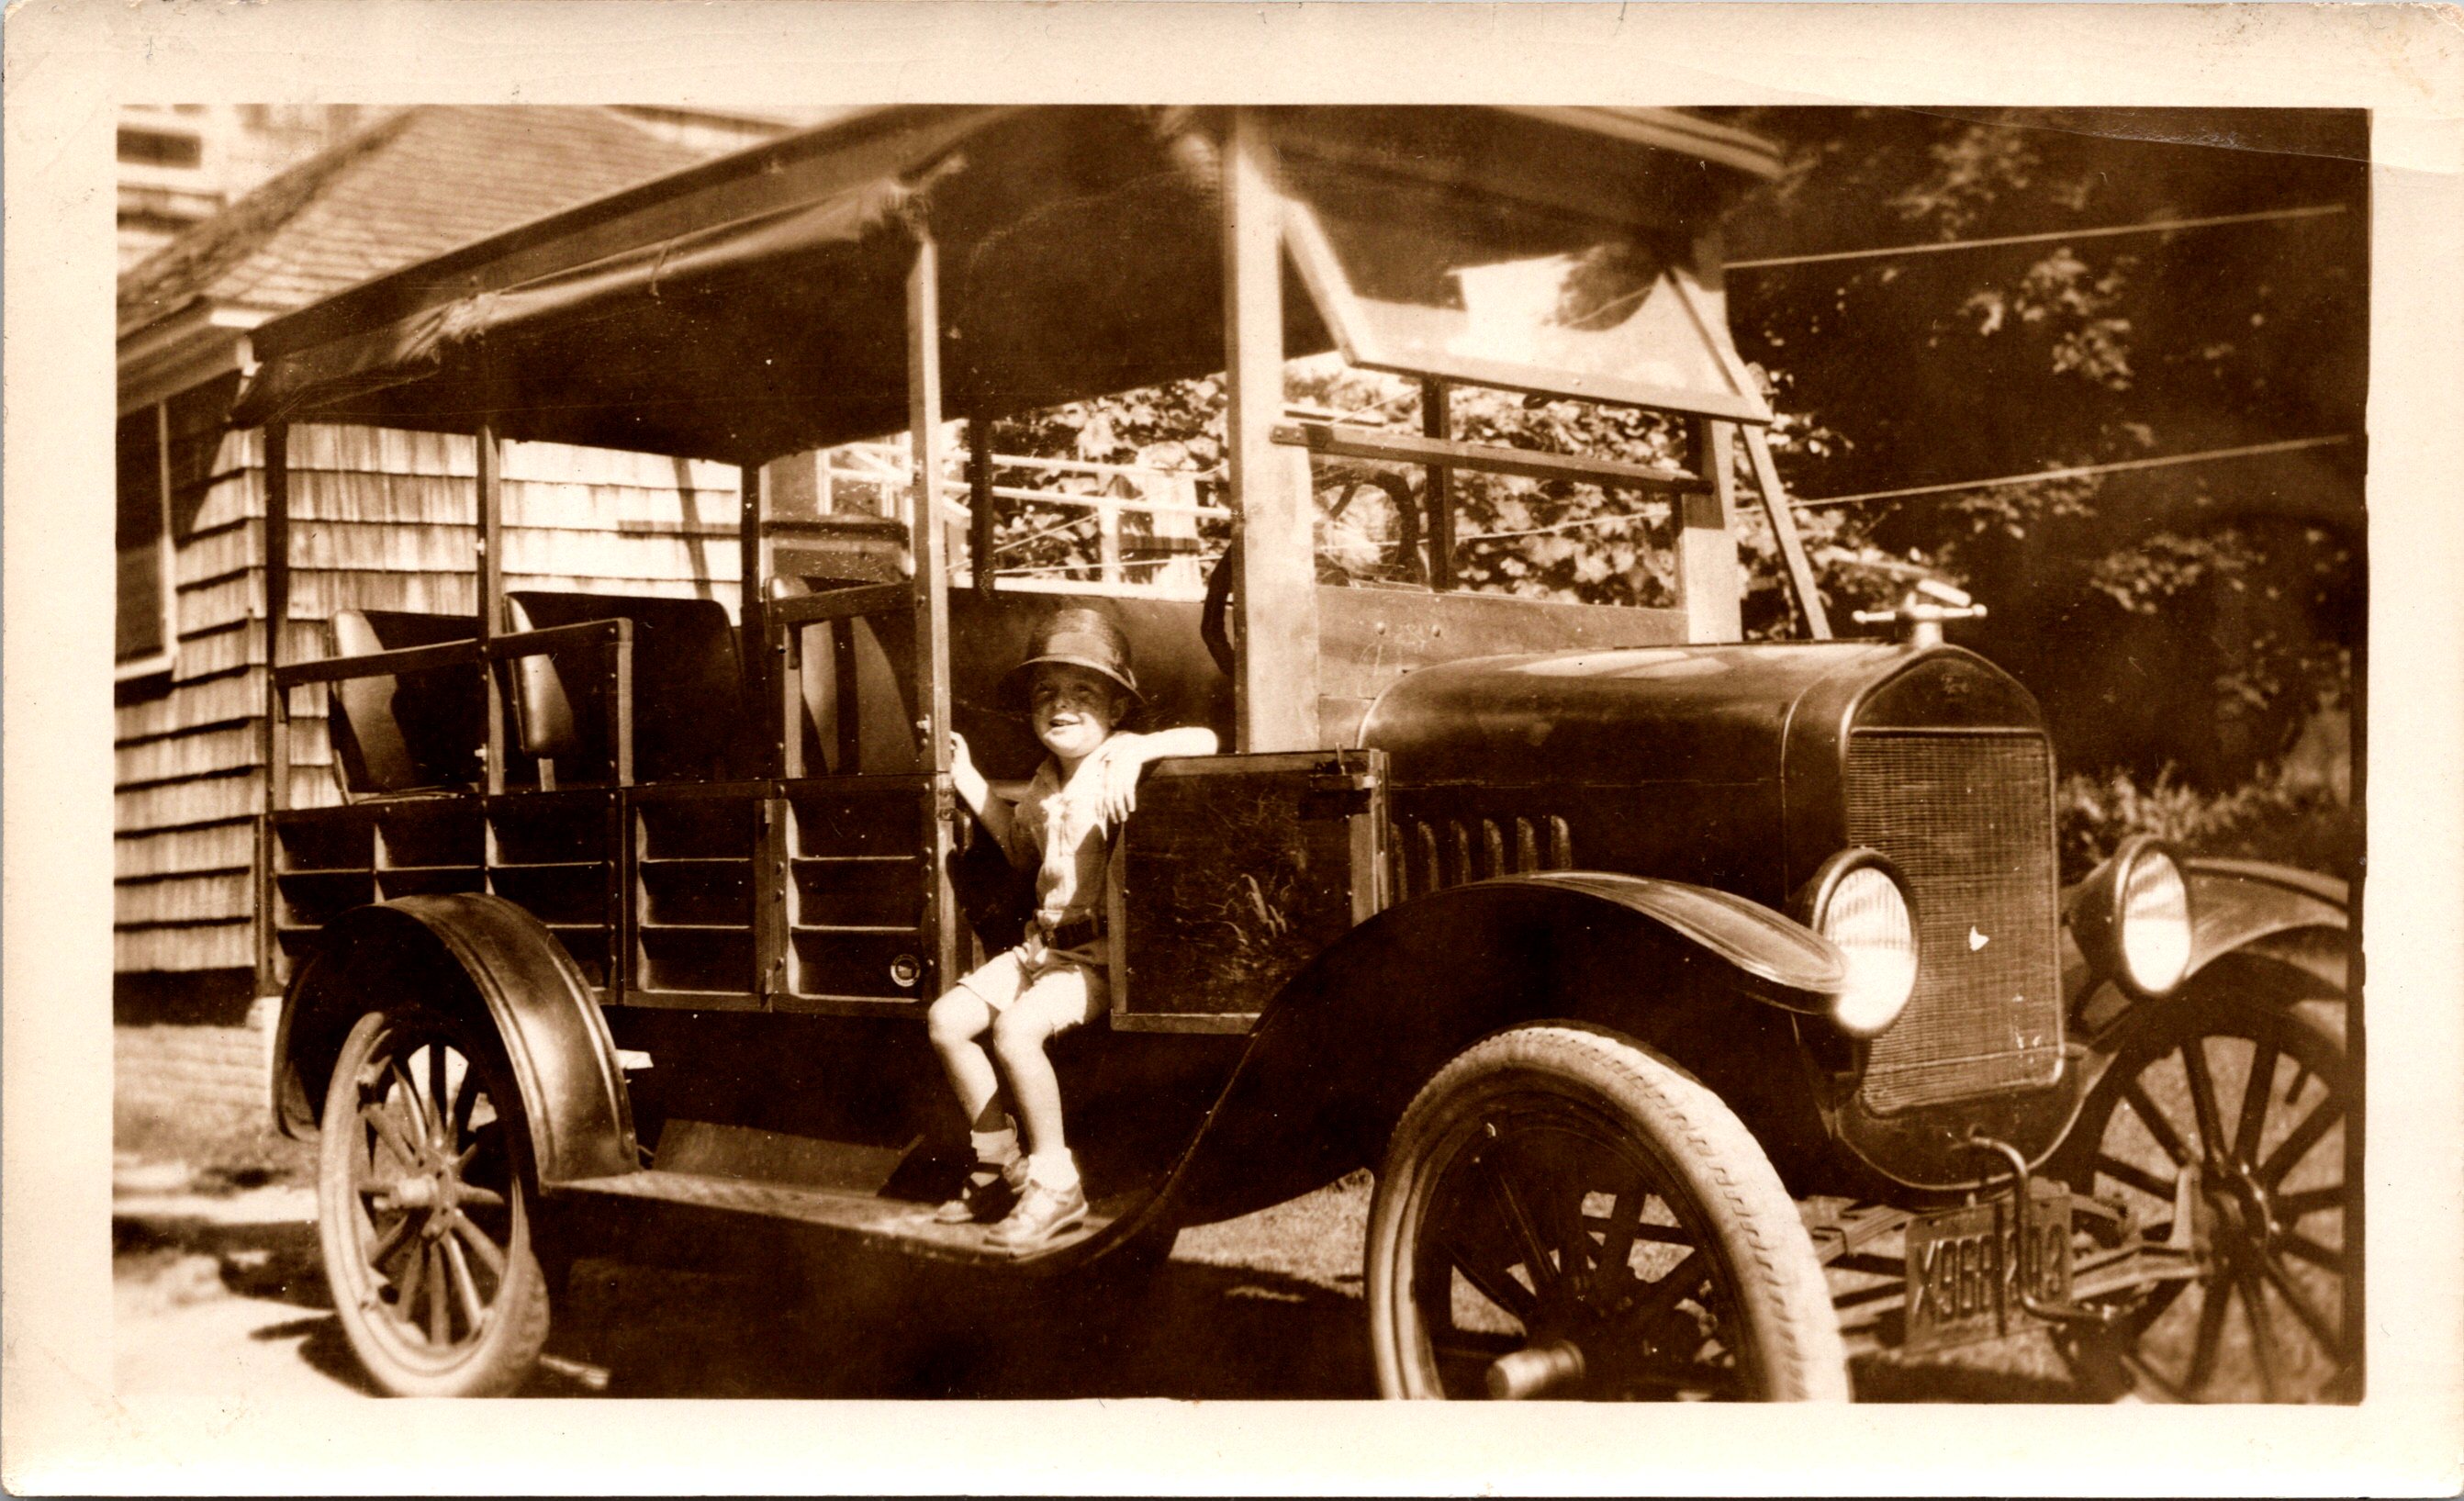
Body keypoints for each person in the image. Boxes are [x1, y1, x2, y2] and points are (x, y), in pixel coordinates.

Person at [927, 606, 1219, 1255]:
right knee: (947, 1021)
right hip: (1042, 950)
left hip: (1097, 959)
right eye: (1046, 693)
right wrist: (969, 780)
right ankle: (998, 1162)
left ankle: (1056, 1181)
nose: (1061, 706)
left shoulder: (1119, 756)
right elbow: (1018, 851)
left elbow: (1208, 740)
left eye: (1083, 692)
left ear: (1117, 709)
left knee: (1015, 1031)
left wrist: (1143, 749)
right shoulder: (1043, 782)